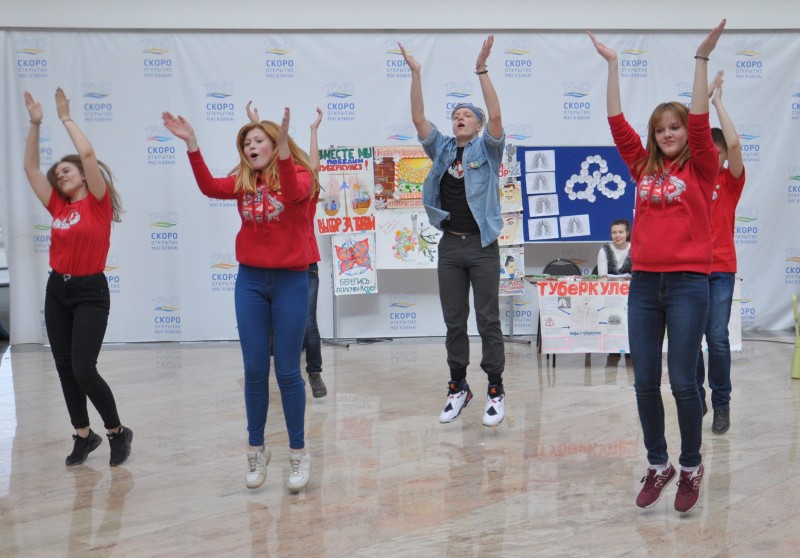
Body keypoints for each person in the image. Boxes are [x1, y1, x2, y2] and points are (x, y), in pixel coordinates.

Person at [590, 19, 726, 513]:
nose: (668, 133)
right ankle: (658, 463)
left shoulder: (702, 164)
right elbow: (616, 122)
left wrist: (701, 58)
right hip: (645, 285)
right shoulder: (642, 165)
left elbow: (699, 121)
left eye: (674, 127)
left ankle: (690, 467)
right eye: (660, 129)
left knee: (684, 382)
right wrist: (613, 66)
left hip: (689, 284)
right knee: (644, 381)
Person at [162, 106, 314, 492]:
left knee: (288, 372)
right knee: (254, 369)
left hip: (291, 282)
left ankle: (298, 452)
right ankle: (256, 449)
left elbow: (293, 193)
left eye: (258, 140)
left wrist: (284, 149)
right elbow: (210, 187)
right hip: (250, 281)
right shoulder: (245, 181)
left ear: (276, 145)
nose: (250, 147)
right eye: (246, 143)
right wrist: (192, 144)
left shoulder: (299, 175)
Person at [399, 36, 507, 427]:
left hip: (482, 247)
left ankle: (495, 389)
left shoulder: (488, 150)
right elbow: (418, 119)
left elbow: (497, 115)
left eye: (467, 115)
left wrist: (481, 69)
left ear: (477, 125)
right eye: (456, 114)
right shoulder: (442, 149)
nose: (460, 117)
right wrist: (416, 74)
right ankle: (458, 387)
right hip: (450, 247)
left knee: (488, 320)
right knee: (454, 321)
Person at [23, 89, 132, 467]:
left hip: (90, 292)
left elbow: (86, 155)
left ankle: (117, 431)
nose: (59, 175)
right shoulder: (58, 205)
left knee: (84, 367)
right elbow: (31, 170)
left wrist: (65, 117)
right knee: (65, 367)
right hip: (58, 289)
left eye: (65, 171)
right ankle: (84, 435)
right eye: (58, 175)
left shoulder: (97, 203)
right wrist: (35, 123)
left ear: (85, 177)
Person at [247, 101, 327, 398]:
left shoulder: (305, 188)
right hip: (280, 267)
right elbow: (254, 163)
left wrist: (313, 131)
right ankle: (291, 377)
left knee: (307, 323)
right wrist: (255, 127)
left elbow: (314, 167)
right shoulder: (275, 190)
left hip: (305, 266)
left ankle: (314, 373)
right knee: (278, 325)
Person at [696, 72, 745, 435]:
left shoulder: (730, 181)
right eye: (709, 152)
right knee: (689, 339)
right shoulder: (691, 178)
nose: (715, 156)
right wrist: (702, 96)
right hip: (690, 270)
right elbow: (686, 134)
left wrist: (717, 103)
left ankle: (722, 404)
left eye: (720, 152)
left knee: (717, 337)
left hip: (722, 270)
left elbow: (736, 144)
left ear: (725, 156)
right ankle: (695, 397)